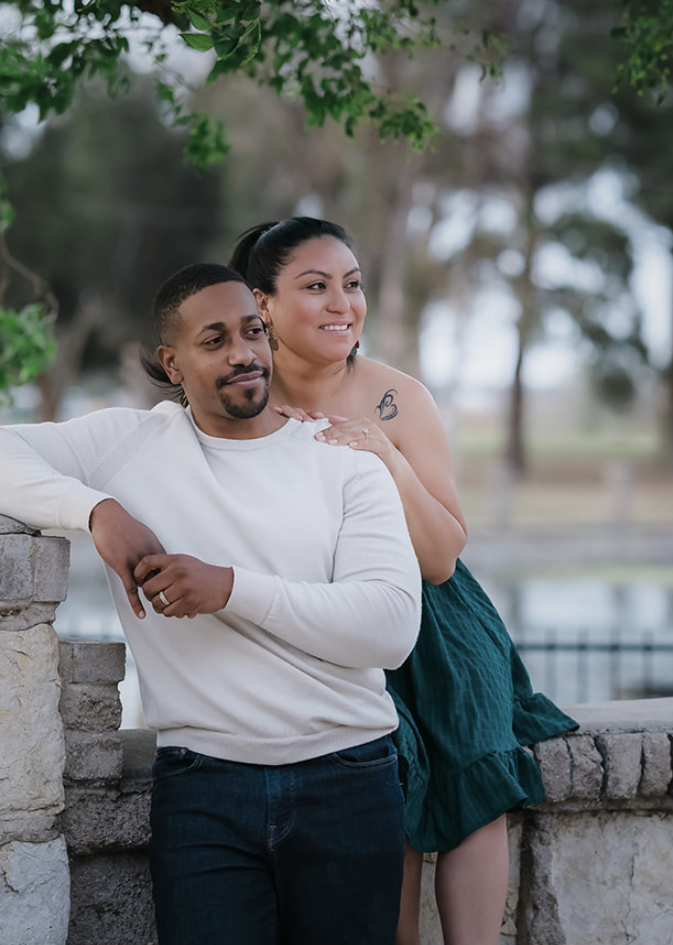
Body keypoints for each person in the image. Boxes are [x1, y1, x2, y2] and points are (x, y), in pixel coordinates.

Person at [0, 262, 422, 945]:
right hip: (204, 789)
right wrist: (97, 510)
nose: (243, 354)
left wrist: (229, 588)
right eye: (215, 339)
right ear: (173, 362)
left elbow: (390, 629)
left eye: (253, 333)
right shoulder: (128, 445)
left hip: (347, 780)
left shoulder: (341, 460)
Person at [231, 217, 578, 945]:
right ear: (261, 304)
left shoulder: (399, 397)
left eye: (352, 286)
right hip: (336, 623)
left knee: (471, 762)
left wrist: (386, 458)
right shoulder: (240, 399)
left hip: (439, 618)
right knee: (382, 783)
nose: (343, 305)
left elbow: (443, 554)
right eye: (316, 286)